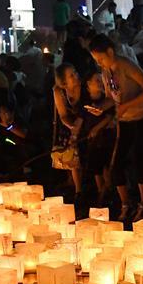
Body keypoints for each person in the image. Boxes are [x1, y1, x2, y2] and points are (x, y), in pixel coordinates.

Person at [89, 34, 143, 222]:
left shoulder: (126, 65)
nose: (100, 63)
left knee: (138, 158)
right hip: (125, 120)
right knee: (117, 162)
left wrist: (128, 104)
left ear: (110, 51)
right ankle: (126, 204)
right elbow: (113, 97)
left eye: (101, 58)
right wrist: (101, 108)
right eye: (96, 60)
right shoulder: (106, 72)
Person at [81, 72, 117, 200]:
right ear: (88, 84)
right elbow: (83, 118)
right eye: (96, 80)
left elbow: (109, 116)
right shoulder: (86, 102)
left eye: (101, 79)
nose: (100, 82)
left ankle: (108, 190)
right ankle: (100, 191)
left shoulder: (105, 100)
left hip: (105, 136)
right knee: (95, 165)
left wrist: (97, 128)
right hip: (92, 139)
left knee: (106, 163)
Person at [52, 63, 85, 198]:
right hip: (70, 126)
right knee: (73, 156)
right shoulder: (59, 91)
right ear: (64, 83)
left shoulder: (84, 87)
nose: (76, 76)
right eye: (71, 75)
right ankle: (78, 190)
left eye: (75, 72)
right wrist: (73, 128)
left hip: (87, 123)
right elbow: (63, 115)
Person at [0, 103, 28, 176]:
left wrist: (8, 127)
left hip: (18, 147)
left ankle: (23, 168)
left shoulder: (18, 120)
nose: (4, 114)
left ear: (11, 113)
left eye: (6, 112)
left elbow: (23, 135)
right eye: (1, 112)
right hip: (4, 148)